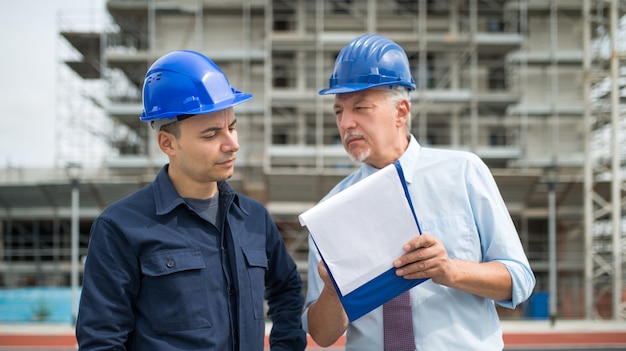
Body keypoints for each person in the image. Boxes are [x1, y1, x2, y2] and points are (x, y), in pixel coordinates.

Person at [302, 34, 536, 350]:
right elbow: (323, 334)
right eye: (338, 111)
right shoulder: (331, 210)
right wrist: (333, 291)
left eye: (360, 107)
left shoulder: (463, 173)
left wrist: (450, 270)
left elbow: (519, 280)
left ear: (401, 112)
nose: (346, 123)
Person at [76, 50, 306, 351]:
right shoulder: (120, 228)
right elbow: (101, 340)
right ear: (168, 143)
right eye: (211, 135)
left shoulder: (253, 218)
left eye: (232, 127)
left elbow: (287, 288)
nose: (232, 144)